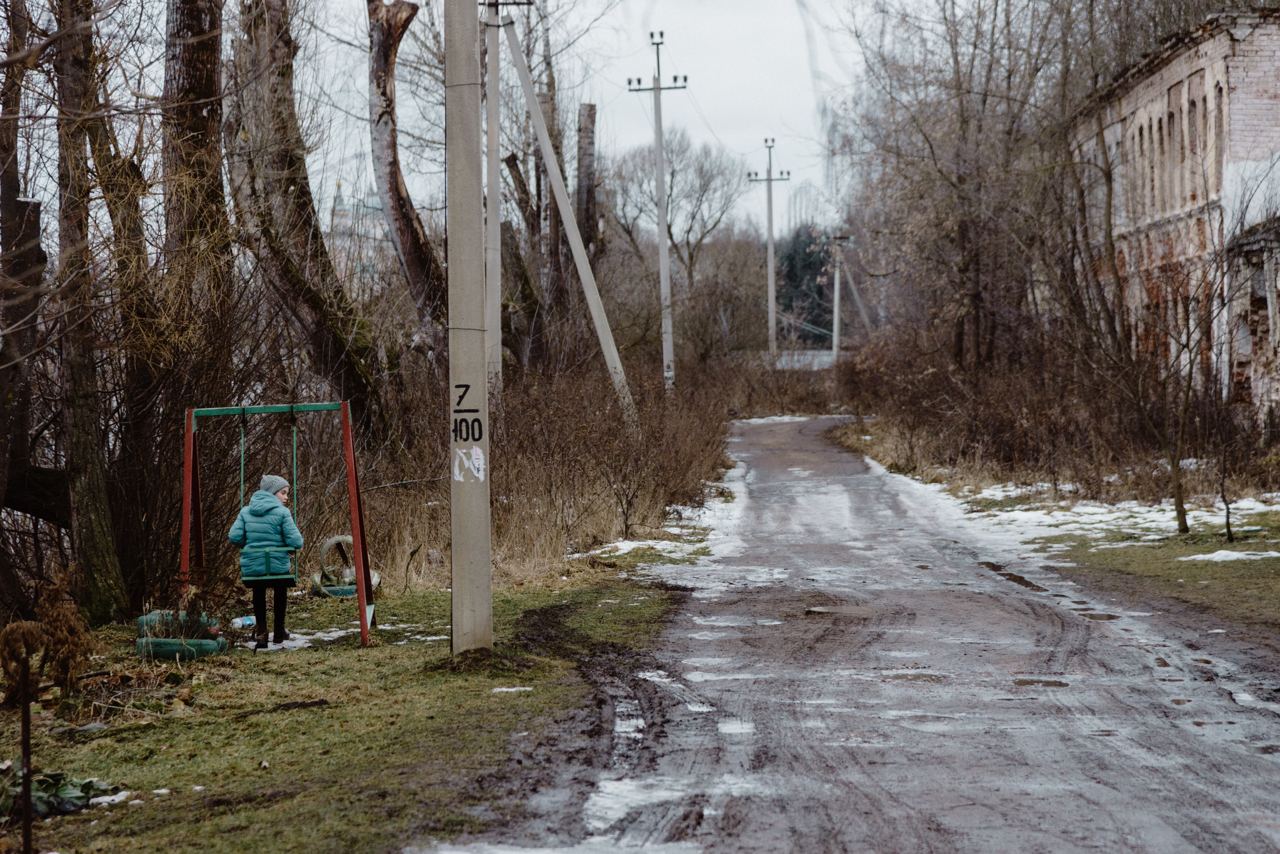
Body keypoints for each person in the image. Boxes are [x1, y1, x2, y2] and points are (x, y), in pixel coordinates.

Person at [228, 474, 303, 649]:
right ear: (272, 493)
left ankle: (262, 633)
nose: (286, 498)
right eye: (283, 493)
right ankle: (278, 632)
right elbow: (296, 542)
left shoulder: (246, 511)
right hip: (278, 568)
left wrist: (248, 544)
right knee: (280, 589)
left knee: (258, 592)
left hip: (254, 569)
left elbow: (234, 537)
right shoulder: (283, 513)